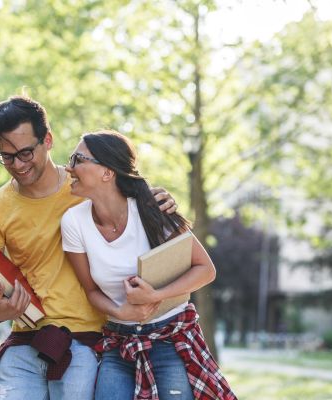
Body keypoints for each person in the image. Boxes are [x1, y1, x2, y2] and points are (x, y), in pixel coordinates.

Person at [0, 96, 178, 400]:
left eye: (26, 152)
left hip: (86, 340)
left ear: (48, 140)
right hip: (25, 339)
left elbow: (130, 203)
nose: (18, 164)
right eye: (7, 156)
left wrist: (159, 200)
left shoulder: (84, 186)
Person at [61, 130, 237, 400]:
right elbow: (91, 290)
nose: (68, 167)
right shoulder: (73, 222)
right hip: (119, 343)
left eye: (78, 159)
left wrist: (156, 295)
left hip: (169, 338)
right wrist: (122, 311)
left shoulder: (152, 209)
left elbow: (205, 269)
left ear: (107, 173)